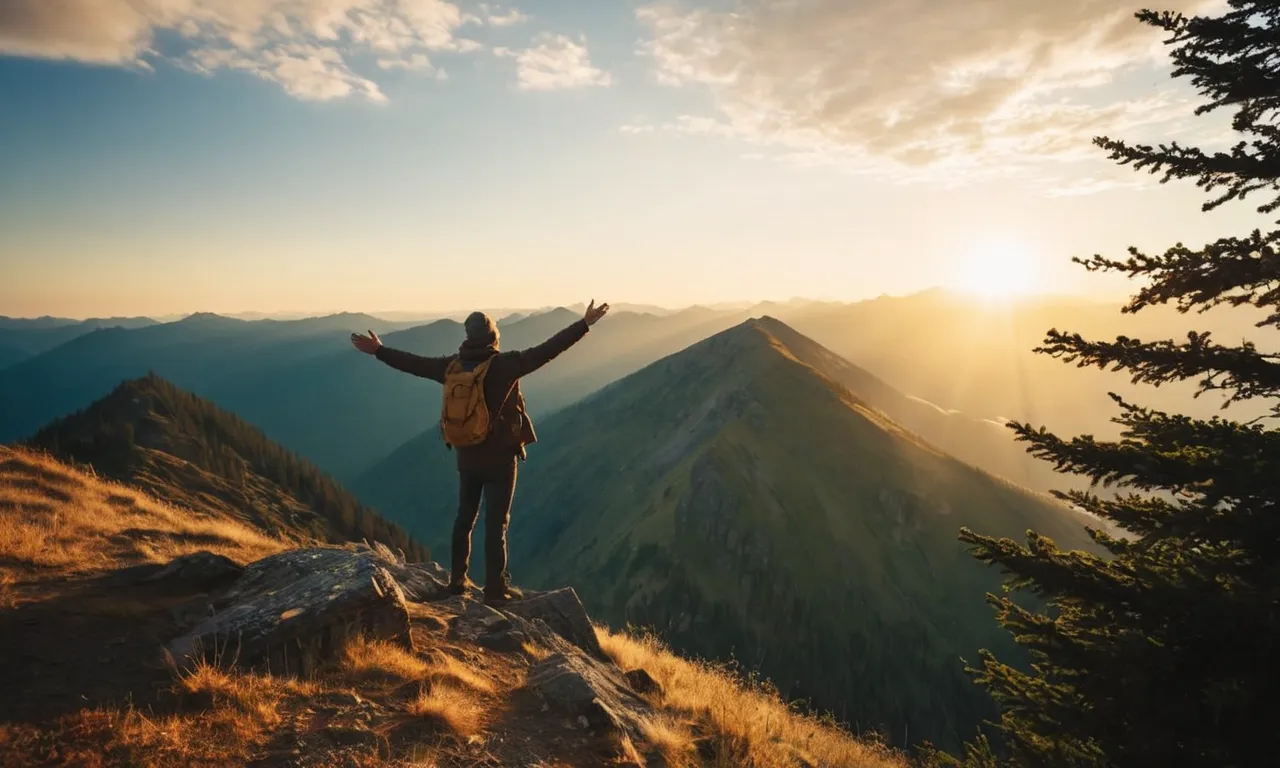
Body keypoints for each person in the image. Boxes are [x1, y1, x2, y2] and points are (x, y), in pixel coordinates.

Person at [350, 301, 610, 603]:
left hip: (467, 456)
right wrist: (584, 324)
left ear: (468, 336)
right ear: (492, 336)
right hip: (501, 460)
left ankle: (457, 583)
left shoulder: (451, 367)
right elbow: (548, 350)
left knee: (464, 520)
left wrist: (380, 350)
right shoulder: (506, 364)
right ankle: (495, 590)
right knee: (496, 524)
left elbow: (414, 363)